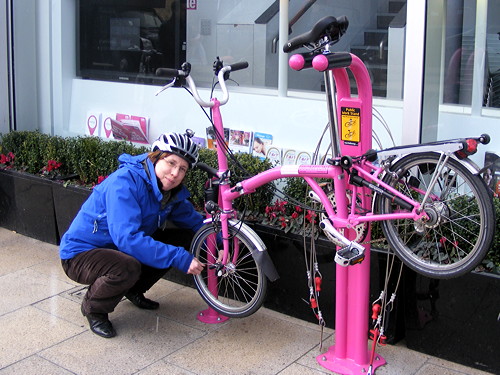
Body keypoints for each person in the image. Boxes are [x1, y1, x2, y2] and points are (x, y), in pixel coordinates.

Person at [59, 131, 205, 338]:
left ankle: (134, 289)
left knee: (182, 236)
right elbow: (127, 239)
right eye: (171, 163)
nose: (175, 173)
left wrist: (218, 240)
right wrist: (177, 257)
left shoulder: (169, 192)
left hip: (119, 249)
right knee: (127, 266)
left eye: (182, 169)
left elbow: (193, 222)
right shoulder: (124, 183)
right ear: (155, 156)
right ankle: (94, 309)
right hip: (81, 254)